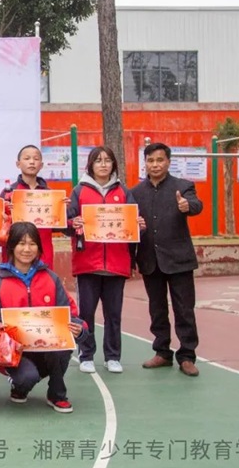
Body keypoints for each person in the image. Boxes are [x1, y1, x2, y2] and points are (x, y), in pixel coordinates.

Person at [0, 222, 88, 413]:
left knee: (63, 346)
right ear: (11, 247)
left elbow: (70, 313)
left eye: (32, 244)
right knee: (26, 378)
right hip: (15, 351)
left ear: (39, 248)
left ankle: (57, 394)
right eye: (21, 243)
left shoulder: (51, 278)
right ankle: (20, 385)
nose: (27, 249)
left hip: (46, 347)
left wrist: (79, 329)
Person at [67, 146, 145, 374]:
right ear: (90, 165)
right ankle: (86, 355)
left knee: (113, 315)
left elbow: (132, 224)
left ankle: (113, 356)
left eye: (107, 160)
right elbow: (66, 223)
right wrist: (73, 224)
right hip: (87, 264)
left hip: (116, 264)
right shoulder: (79, 191)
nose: (103, 164)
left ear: (113, 165)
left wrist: (139, 226)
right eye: (98, 160)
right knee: (86, 314)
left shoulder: (124, 192)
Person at [131, 143, 204, 377]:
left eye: (160, 160)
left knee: (184, 310)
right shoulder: (135, 193)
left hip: (179, 260)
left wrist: (187, 206)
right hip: (149, 260)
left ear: (168, 162)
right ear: (145, 163)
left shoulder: (183, 187)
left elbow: (196, 205)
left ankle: (187, 356)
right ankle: (162, 352)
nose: (155, 165)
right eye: (150, 160)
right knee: (157, 309)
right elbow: (129, 226)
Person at [0, 145, 62, 270]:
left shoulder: (50, 194)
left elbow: (59, 225)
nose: (32, 162)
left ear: (41, 165)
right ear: (18, 164)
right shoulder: (8, 193)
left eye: (36, 159)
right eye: (27, 158)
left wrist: (62, 209)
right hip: (15, 257)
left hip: (43, 254)